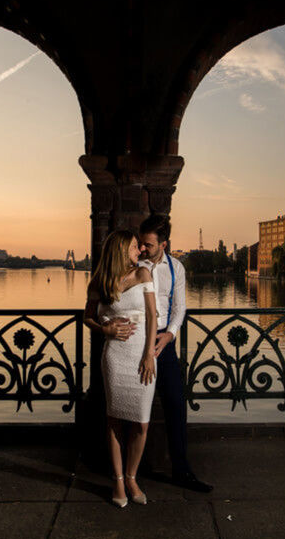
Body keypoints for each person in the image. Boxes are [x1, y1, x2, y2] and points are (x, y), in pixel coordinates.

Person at [105, 214, 213, 493]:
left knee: (176, 404)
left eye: (149, 245)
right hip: (133, 342)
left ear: (164, 244)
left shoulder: (176, 268)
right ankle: (127, 475)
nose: (142, 249)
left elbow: (179, 307)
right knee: (128, 408)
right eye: (140, 243)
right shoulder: (131, 266)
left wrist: (170, 335)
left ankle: (182, 471)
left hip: (163, 344)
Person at [83, 229, 158, 508]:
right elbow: (87, 317)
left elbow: (152, 316)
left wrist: (150, 354)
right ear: (121, 249)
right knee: (114, 420)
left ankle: (131, 476)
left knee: (141, 422)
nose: (139, 251)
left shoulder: (142, 275)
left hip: (142, 354)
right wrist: (105, 328)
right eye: (135, 247)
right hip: (115, 356)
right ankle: (117, 481)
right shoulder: (100, 281)